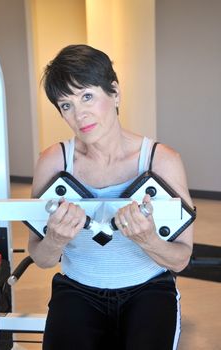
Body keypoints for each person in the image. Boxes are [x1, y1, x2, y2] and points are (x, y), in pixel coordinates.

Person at [28, 44, 194, 350]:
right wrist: (55, 239)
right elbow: (40, 258)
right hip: (77, 291)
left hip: (149, 290)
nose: (80, 114)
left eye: (87, 96)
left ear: (114, 92)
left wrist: (149, 241)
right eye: (66, 105)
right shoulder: (53, 162)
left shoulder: (160, 160)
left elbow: (182, 259)